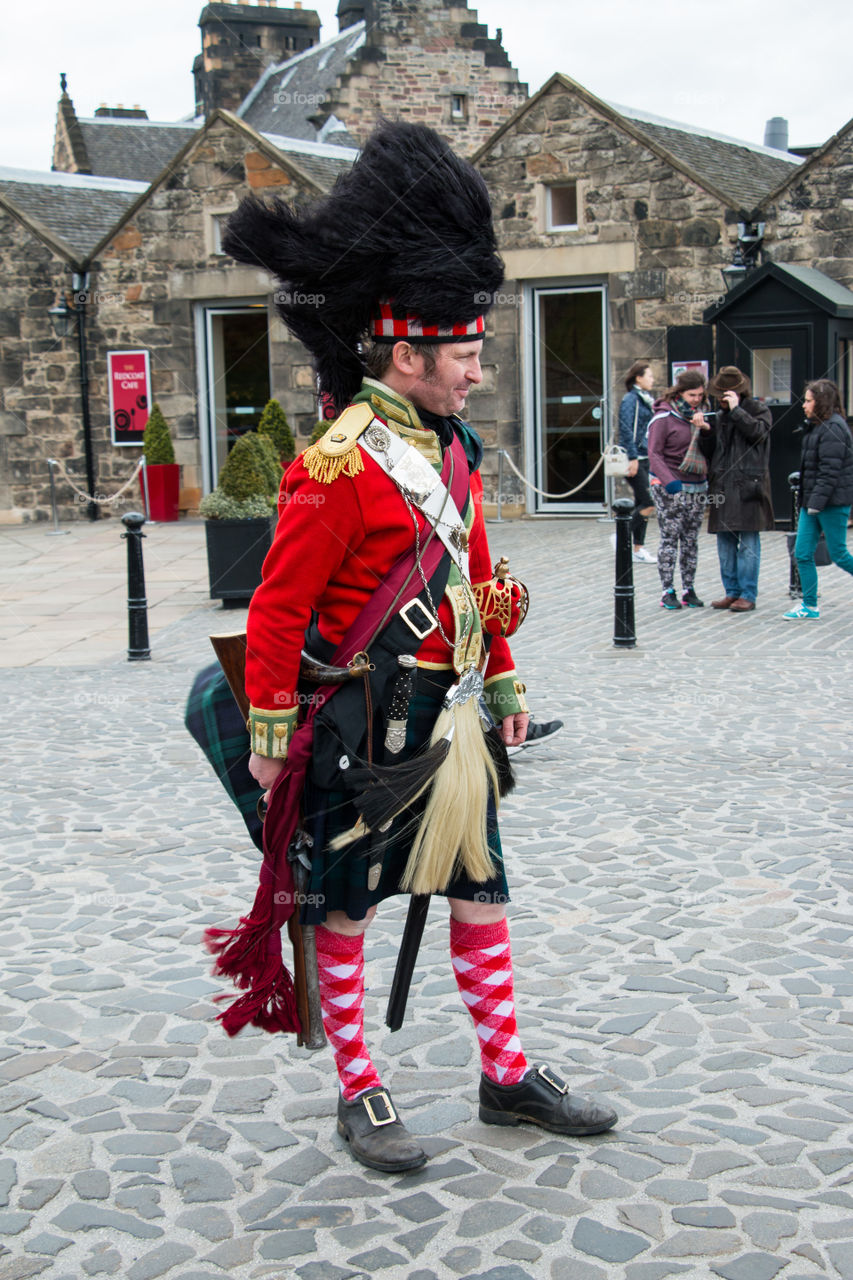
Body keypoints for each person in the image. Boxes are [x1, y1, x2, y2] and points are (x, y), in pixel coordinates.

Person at [211, 122, 617, 1176]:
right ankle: (359, 1086)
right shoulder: (340, 468)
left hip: (448, 725)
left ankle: (505, 1071)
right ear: (406, 352)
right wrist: (268, 737)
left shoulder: (448, 452)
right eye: (468, 354)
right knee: (344, 906)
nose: (480, 371)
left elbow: (476, 569)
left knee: (483, 887)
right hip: (354, 731)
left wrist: (511, 677)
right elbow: (274, 610)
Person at [701, 366, 774, 612]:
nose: (719, 399)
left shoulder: (757, 410)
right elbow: (711, 452)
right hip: (723, 485)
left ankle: (747, 593)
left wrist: (737, 411)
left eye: (724, 395)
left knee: (749, 542)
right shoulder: (719, 416)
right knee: (725, 543)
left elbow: (759, 434)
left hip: (748, 486)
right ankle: (731, 591)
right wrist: (705, 433)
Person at [784, 379, 853, 619]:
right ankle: (809, 605)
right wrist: (810, 502)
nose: (804, 405)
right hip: (812, 501)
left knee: (838, 554)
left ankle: (809, 604)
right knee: (802, 552)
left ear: (821, 402)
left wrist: (816, 504)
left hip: (831, 503)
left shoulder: (833, 428)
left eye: (809, 400)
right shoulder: (816, 426)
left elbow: (830, 472)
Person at [647, 369, 711, 609]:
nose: (696, 399)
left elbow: (710, 448)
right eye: (692, 394)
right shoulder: (663, 418)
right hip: (669, 486)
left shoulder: (700, 416)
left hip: (697, 484)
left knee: (691, 539)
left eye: (699, 395)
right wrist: (669, 482)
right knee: (670, 538)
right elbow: (654, 454)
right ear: (680, 393)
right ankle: (667, 590)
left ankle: (689, 588)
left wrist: (705, 429)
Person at [618, 360, 657, 563]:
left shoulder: (644, 399)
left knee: (642, 503)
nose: (653, 379)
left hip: (644, 455)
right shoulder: (631, 399)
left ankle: (637, 549)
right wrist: (631, 457)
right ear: (638, 378)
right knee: (648, 503)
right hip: (635, 457)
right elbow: (625, 429)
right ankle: (621, 535)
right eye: (649, 376)